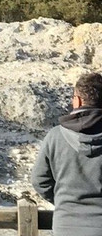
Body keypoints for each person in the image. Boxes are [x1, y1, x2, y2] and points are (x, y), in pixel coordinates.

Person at [31, 72, 102, 236]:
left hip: (66, 225)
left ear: (77, 101)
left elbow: (39, 180)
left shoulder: (55, 136)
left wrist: (63, 202)